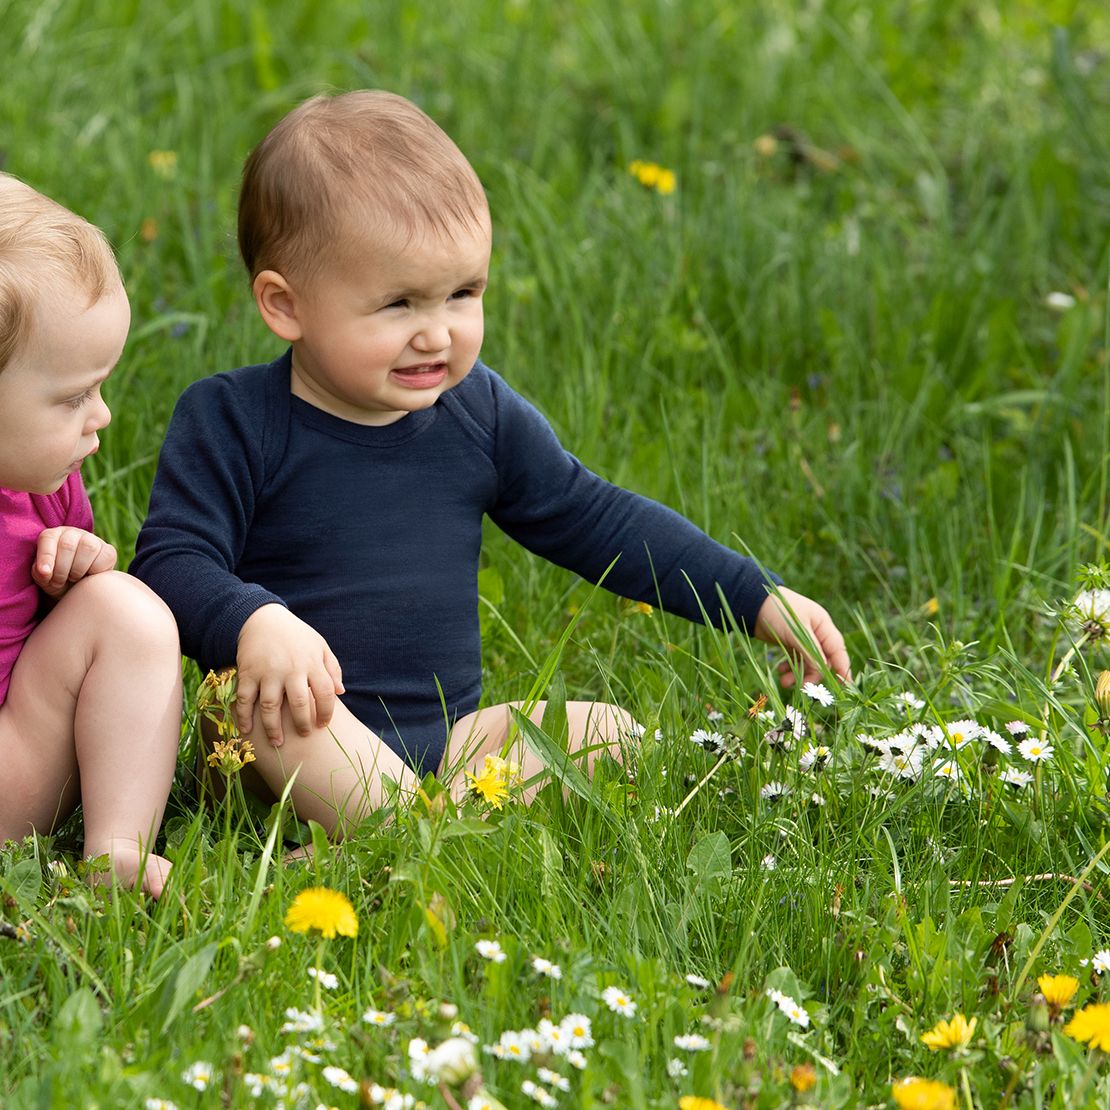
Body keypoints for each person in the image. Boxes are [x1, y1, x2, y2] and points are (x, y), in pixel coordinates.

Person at [131, 90, 850, 833]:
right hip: (289, 734)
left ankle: (409, 827)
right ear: (286, 306)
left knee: (612, 736)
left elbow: (595, 519)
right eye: (399, 303)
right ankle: (425, 836)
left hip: (447, 742)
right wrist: (254, 621)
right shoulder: (234, 419)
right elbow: (168, 561)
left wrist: (754, 596)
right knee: (258, 712)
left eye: (462, 293)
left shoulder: (477, 414)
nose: (437, 334)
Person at [0, 174, 182, 897]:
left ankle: (116, 850)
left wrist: (85, 568)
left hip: (19, 756)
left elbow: (74, 618)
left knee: (123, 609)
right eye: (75, 396)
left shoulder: (43, 484)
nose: (100, 416)